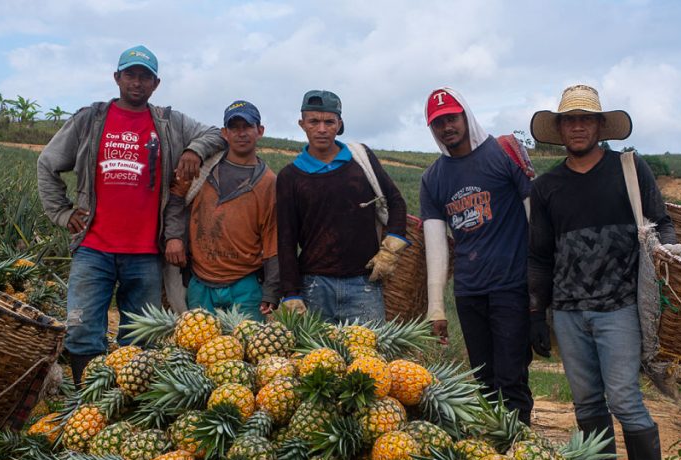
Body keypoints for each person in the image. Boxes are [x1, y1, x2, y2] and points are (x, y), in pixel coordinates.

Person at [527, 84, 681, 460]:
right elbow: (540, 256)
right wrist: (536, 313)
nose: (577, 127)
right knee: (587, 404)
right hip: (569, 312)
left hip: (620, 307)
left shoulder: (630, 169)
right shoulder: (546, 187)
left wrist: (671, 255)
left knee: (624, 399)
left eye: (585, 119)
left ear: (600, 126)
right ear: (559, 130)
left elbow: (661, 223)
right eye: (569, 121)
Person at [37, 45, 225, 384]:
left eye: (145, 77)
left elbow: (215, 133)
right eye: (130, 75)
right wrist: (63, 214)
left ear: (156, 84)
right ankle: (86, 399)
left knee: (139, 338)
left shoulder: (169, 121)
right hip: (93, 247)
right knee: (82, 329)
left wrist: (193, 149)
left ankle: (124, 402)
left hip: (144, 253)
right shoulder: (89, 119)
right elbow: (47, 164)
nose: (136, 83)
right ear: (117, 78)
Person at [420, 87, 537, 424]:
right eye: (438, 123)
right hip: (469, 292)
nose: (446, 128)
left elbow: (535, 216)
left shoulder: (503, 154)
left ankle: (519, 450)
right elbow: (436, 242)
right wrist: (436, 307)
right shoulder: (433, 178)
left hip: (510, 285)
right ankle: (494, 452)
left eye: (452, 118)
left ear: (466, 116)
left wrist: (541, 287)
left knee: (511, 378)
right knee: (484, 381)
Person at [276, 90, 409, 323]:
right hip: (314, 285)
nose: (322, 129)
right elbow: (286, 239)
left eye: (329, 121)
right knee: (316, 359)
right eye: (314, 121)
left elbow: (396, 202)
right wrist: (291, 293)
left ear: (339, 124)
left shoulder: (360, 160)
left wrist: (390, 250)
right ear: (302, 124)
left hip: (364, 284)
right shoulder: (291, 176)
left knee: (369, 357)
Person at [169, 100, 279, 321]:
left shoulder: (268, 182)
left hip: (245, 283)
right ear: (224, 133)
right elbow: (176, 200)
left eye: (247, 127)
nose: (241, 133)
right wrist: (173, 237)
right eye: (234, 127)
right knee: (198, 349)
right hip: (200, 280)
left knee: (246, 350)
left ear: (260, 131)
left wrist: (272, 289)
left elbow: (272, 238)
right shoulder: (203, 169)